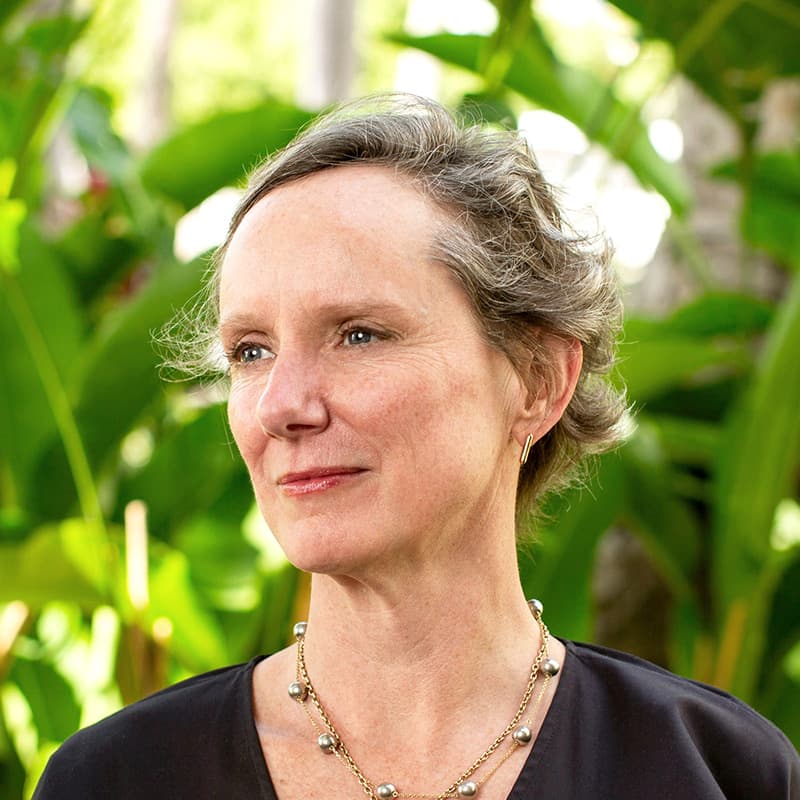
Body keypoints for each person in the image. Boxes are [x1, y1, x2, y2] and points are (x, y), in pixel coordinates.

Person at [35, 95, 799, 799]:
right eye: (250, 351)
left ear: (538, 379)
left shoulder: (714, 770)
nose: (281, 406)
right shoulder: (117, 779)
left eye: (359, 334)